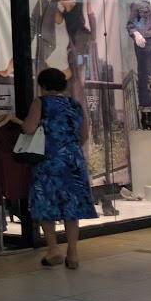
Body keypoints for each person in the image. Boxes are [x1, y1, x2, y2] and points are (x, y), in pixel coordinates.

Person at [23, 66, 95, 270]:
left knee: (46, 201)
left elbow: (29, 128)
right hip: (73, 159)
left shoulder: (41, 102)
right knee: (71, 205)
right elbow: (84, 135)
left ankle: (53, 249)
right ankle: (73, 253)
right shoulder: (75, 104)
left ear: (43, 85)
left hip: (48, 159)